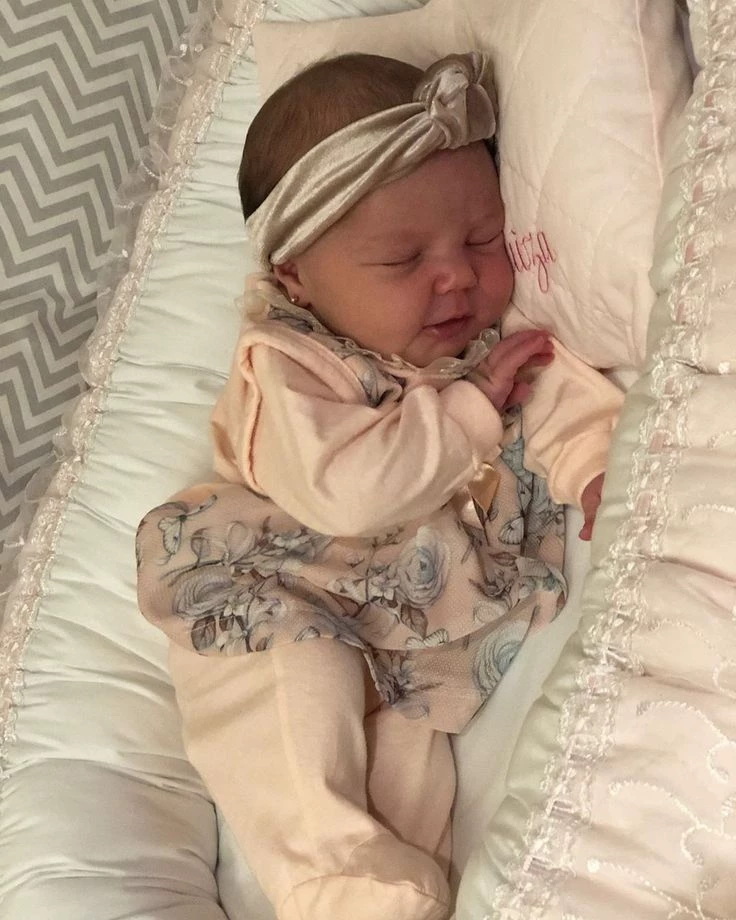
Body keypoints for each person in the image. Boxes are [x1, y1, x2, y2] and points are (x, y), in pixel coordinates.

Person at [136, 52, 623, 920]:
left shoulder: (487, 345)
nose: (457, 275)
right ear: (297, 276)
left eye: (482, 238)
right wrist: (472, 410)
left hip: (415, 622)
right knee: (290, 708)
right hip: (273, 583)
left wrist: (597, 470)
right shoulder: (289, 362)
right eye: (403, 259)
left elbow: (567, 397)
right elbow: (347, 493)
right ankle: (321, 869)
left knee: (412, 779)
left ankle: (380, 898)